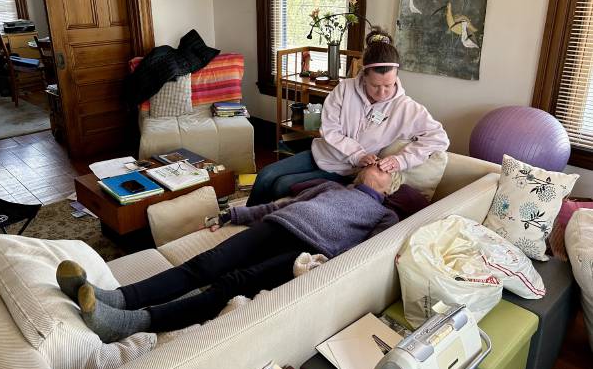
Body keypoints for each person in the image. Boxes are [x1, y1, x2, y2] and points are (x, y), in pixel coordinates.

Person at [56, 164, 399, 343]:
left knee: (231, 284)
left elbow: (370, 253)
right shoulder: (332, 186)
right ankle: (116, 298)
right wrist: (232, 214)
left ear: (391, 186)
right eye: (378, 161)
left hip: (308, 251)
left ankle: (131, 323)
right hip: (277, 224)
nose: (379, 165)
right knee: (205, 264)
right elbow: (282, 204)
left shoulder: (385, 215)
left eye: (386, 168)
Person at [246, 27, 449, 206]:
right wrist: (357, 153)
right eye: (375, 86)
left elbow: (438, 138)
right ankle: (237, 222)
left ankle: (258, 223)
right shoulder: (345, 89)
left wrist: (401, 161)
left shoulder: (406, 108)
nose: (383, 93)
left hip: (347, 171)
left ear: (396, 76)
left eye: (389, 85)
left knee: (282, 185)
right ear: (363, 76)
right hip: (322, 154)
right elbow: (330, 129)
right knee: (266, 174)